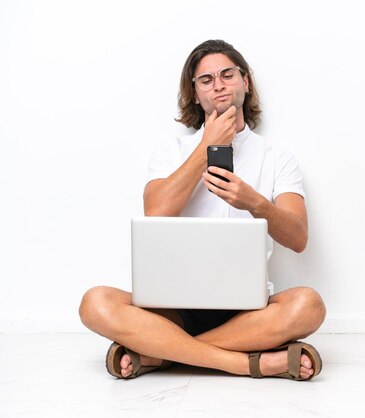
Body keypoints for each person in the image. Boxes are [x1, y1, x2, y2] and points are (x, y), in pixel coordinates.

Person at [79, 40, 326, 381]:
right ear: (195, 93)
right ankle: (244, 362)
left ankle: (158, 353)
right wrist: (205, 147)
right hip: (173, 307)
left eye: (228, 75)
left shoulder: (276, 158)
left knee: (308, 305)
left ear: (246, 83)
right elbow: (155, 211)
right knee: (95, 303)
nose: (219, 85)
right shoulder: (170, 151)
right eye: (206, 80)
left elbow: (298, 238)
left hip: (248, 312)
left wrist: (253, 203)